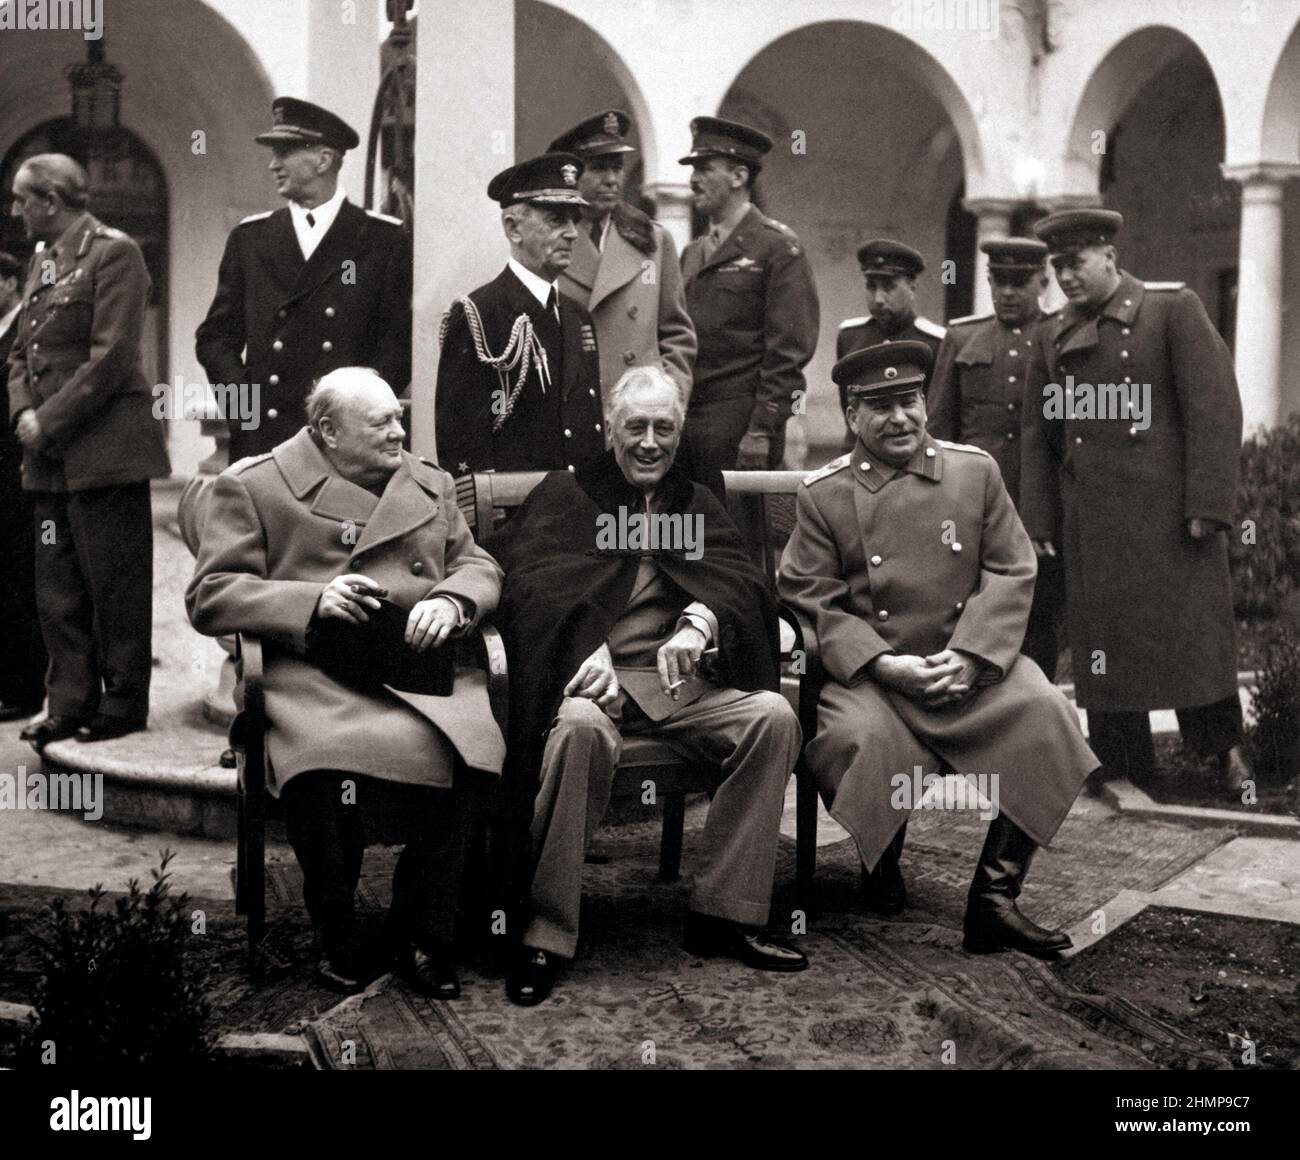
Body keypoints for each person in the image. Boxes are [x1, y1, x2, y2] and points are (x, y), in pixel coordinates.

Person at [488, 365, 807, 1007]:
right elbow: (527, 585)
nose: (650, 443)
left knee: (773, 717)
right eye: (636, 427)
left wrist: (700, 620)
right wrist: (588, 645)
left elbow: (744, 584)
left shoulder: (695, 498)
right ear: (611, 431)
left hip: (679, 690)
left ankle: (724, 913)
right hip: (596, 688)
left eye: (664, 428)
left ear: (680, 430)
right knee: (577, 730)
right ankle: (545, 933)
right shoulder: (570, 493)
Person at [187, 367, 503, 995]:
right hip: (313, 674)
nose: (399, 431)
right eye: (382, 422)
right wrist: (311, 600)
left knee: (473, 755)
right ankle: (338, 931)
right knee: (326, 767)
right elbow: (211, 595)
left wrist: (453, 599)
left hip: (416, 669)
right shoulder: (255, 485)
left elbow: (478, 562)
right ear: (327, 431)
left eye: (399, 416)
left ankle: (421, 933)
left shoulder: (427, 483)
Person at [778, 342, 1098, 957]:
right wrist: (881, 663)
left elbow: (1012, 568)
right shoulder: (824, 493)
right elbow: (808, 596)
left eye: (909, 401)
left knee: (1046, 713)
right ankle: (881, 861)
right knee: (861, 742)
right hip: (875, 676)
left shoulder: (974, 472)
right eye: (879, 407)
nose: (899, 418)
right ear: (850, 417)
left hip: (968, 671)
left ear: (925, 403)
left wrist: (974, 655)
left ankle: (993, 902)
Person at [1023, 208, 1250, 793]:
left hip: (1171, 519)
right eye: (1057, 267)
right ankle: (1123, 764)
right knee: (1106, 646)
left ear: (1108, 256)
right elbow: (1041, 435)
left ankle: (1223, 756)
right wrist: (1042, 518)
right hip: (1093, 522)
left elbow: (1213, 408)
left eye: (1076, 263)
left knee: (1194, 638)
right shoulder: (1051, 334)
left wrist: (1208, 503)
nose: (1066, 277)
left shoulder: (1171, 311)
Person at [8, 154, 170, 748]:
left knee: (114, 585)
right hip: (50, 462)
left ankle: (122, 701)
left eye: (22, 199)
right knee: (57, 589)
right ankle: (68, 701)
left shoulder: (113, 252)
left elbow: (113, 358)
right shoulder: (43, 261)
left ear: (51, 200)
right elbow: (24, 353)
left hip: (106, 453)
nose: (15, 210)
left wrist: (46, 421)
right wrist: (24, 411)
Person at [196, 97, 412, 461]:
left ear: (324, 160)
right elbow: (215, 339)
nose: (273, 165)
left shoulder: (381, 239)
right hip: (265, 441)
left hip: (345, 443)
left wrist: (361, 414)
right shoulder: (251, 238)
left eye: (284, 153)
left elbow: (398, 343)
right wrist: (243, 410)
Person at [927, 237, 1064, 679]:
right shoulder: (963, 336)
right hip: (972, 505)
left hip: (1038, 507)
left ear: (1042, 281)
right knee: (968, 610)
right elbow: (939, 429)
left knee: (1037, 617)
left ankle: (1034, 708)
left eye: (1019, 283)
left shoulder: (1062, 337)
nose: (1007, 292)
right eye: (998, 281)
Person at [435, 152, 605, 476]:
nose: (571, 233)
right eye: (556, 220)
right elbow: (461, 444)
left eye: (574, 220)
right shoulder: (478, 315)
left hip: (582, 508)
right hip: (518, 515)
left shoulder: (577, 316)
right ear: (514, 229)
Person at [679, 117, 819, 479]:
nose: (693, 180)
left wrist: (761, 429)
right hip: (687, 422)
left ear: (739, 177)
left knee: (738, 531)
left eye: (705, 168)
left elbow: (788, 352)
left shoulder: (777, 248)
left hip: (740, 423)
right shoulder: (692, 254)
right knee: (689, 531)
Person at [547, 109, 696, 407]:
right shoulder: (550, 241)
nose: (612, 179)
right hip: (573, 410)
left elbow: (676, 333)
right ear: (571, 176)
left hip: (640, 411)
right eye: (600, 168)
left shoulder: (652, 241)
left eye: (617, 167)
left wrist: (672, 396)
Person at [835, 238, 944, 446]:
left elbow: (937, 415)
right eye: (871, 286)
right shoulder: (850, 336)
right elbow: (849, 405)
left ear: (912, 286)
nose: (878, 298)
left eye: (888, 287)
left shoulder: (935, 342)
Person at [0, 250, 46, 722]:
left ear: (11, 283)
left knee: (21, 578)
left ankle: (24, 687)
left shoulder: (26, 328)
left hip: (20, 473)